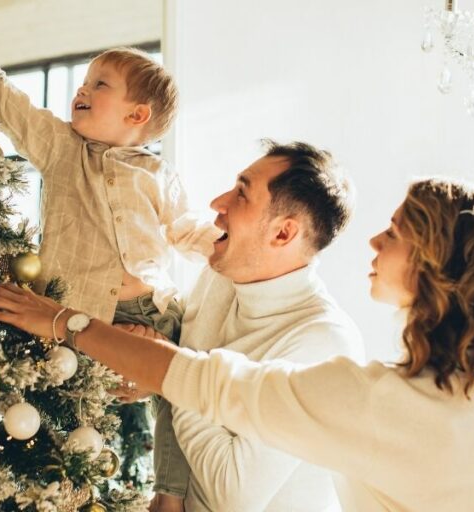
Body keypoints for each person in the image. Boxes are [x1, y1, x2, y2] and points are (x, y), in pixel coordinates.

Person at [0, 177, 474, 511]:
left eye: (395, 233)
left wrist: (62, 323)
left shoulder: (377, 398)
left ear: (434, 264)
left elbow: (201, 381)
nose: (375, 243)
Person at [0, 3, 219, 505]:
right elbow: (2, 97)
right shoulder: (60, 147)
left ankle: (170, 494)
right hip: (74, 311)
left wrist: (224, 246)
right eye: (85, 80)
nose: (83, 89)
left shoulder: (158, 174)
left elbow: (186, 229)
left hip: (150, 311)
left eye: (100, 84)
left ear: (137, 115)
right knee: (69, 414)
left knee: (179, 398)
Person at [130, 141, 362, 511]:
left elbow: (231, 493)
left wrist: (169, 374)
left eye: (241, 193)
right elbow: (180, 370)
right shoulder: (220, 277)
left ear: (283, 234)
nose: (218, 204)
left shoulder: (322, 343)